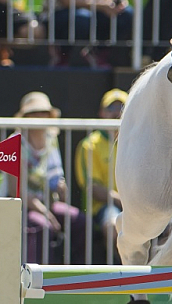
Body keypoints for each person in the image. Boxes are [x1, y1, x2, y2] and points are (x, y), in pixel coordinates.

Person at [2, 92, 87, 264]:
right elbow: (16, 190)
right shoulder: (15, 142)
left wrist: (62, 189)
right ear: (25, 117)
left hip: (47, 202)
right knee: (42, 225)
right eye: (34, 113)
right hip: (19, 205)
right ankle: (38, 282)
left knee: (79, 221)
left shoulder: (51, 139)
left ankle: (77, 278)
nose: (40, 117)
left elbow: (56, 177)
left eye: (43, 113)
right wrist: (44, 212)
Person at [75, 88, 126, 259]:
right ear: (102, 113)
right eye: (112, 108)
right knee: (113, 225)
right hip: (105, 207)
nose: (117, 113)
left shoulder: (137, 141)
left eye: (122, 108)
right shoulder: (90, 145)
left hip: (137, 204)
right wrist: (121, 200)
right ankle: (119, 278)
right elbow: (92, 187)